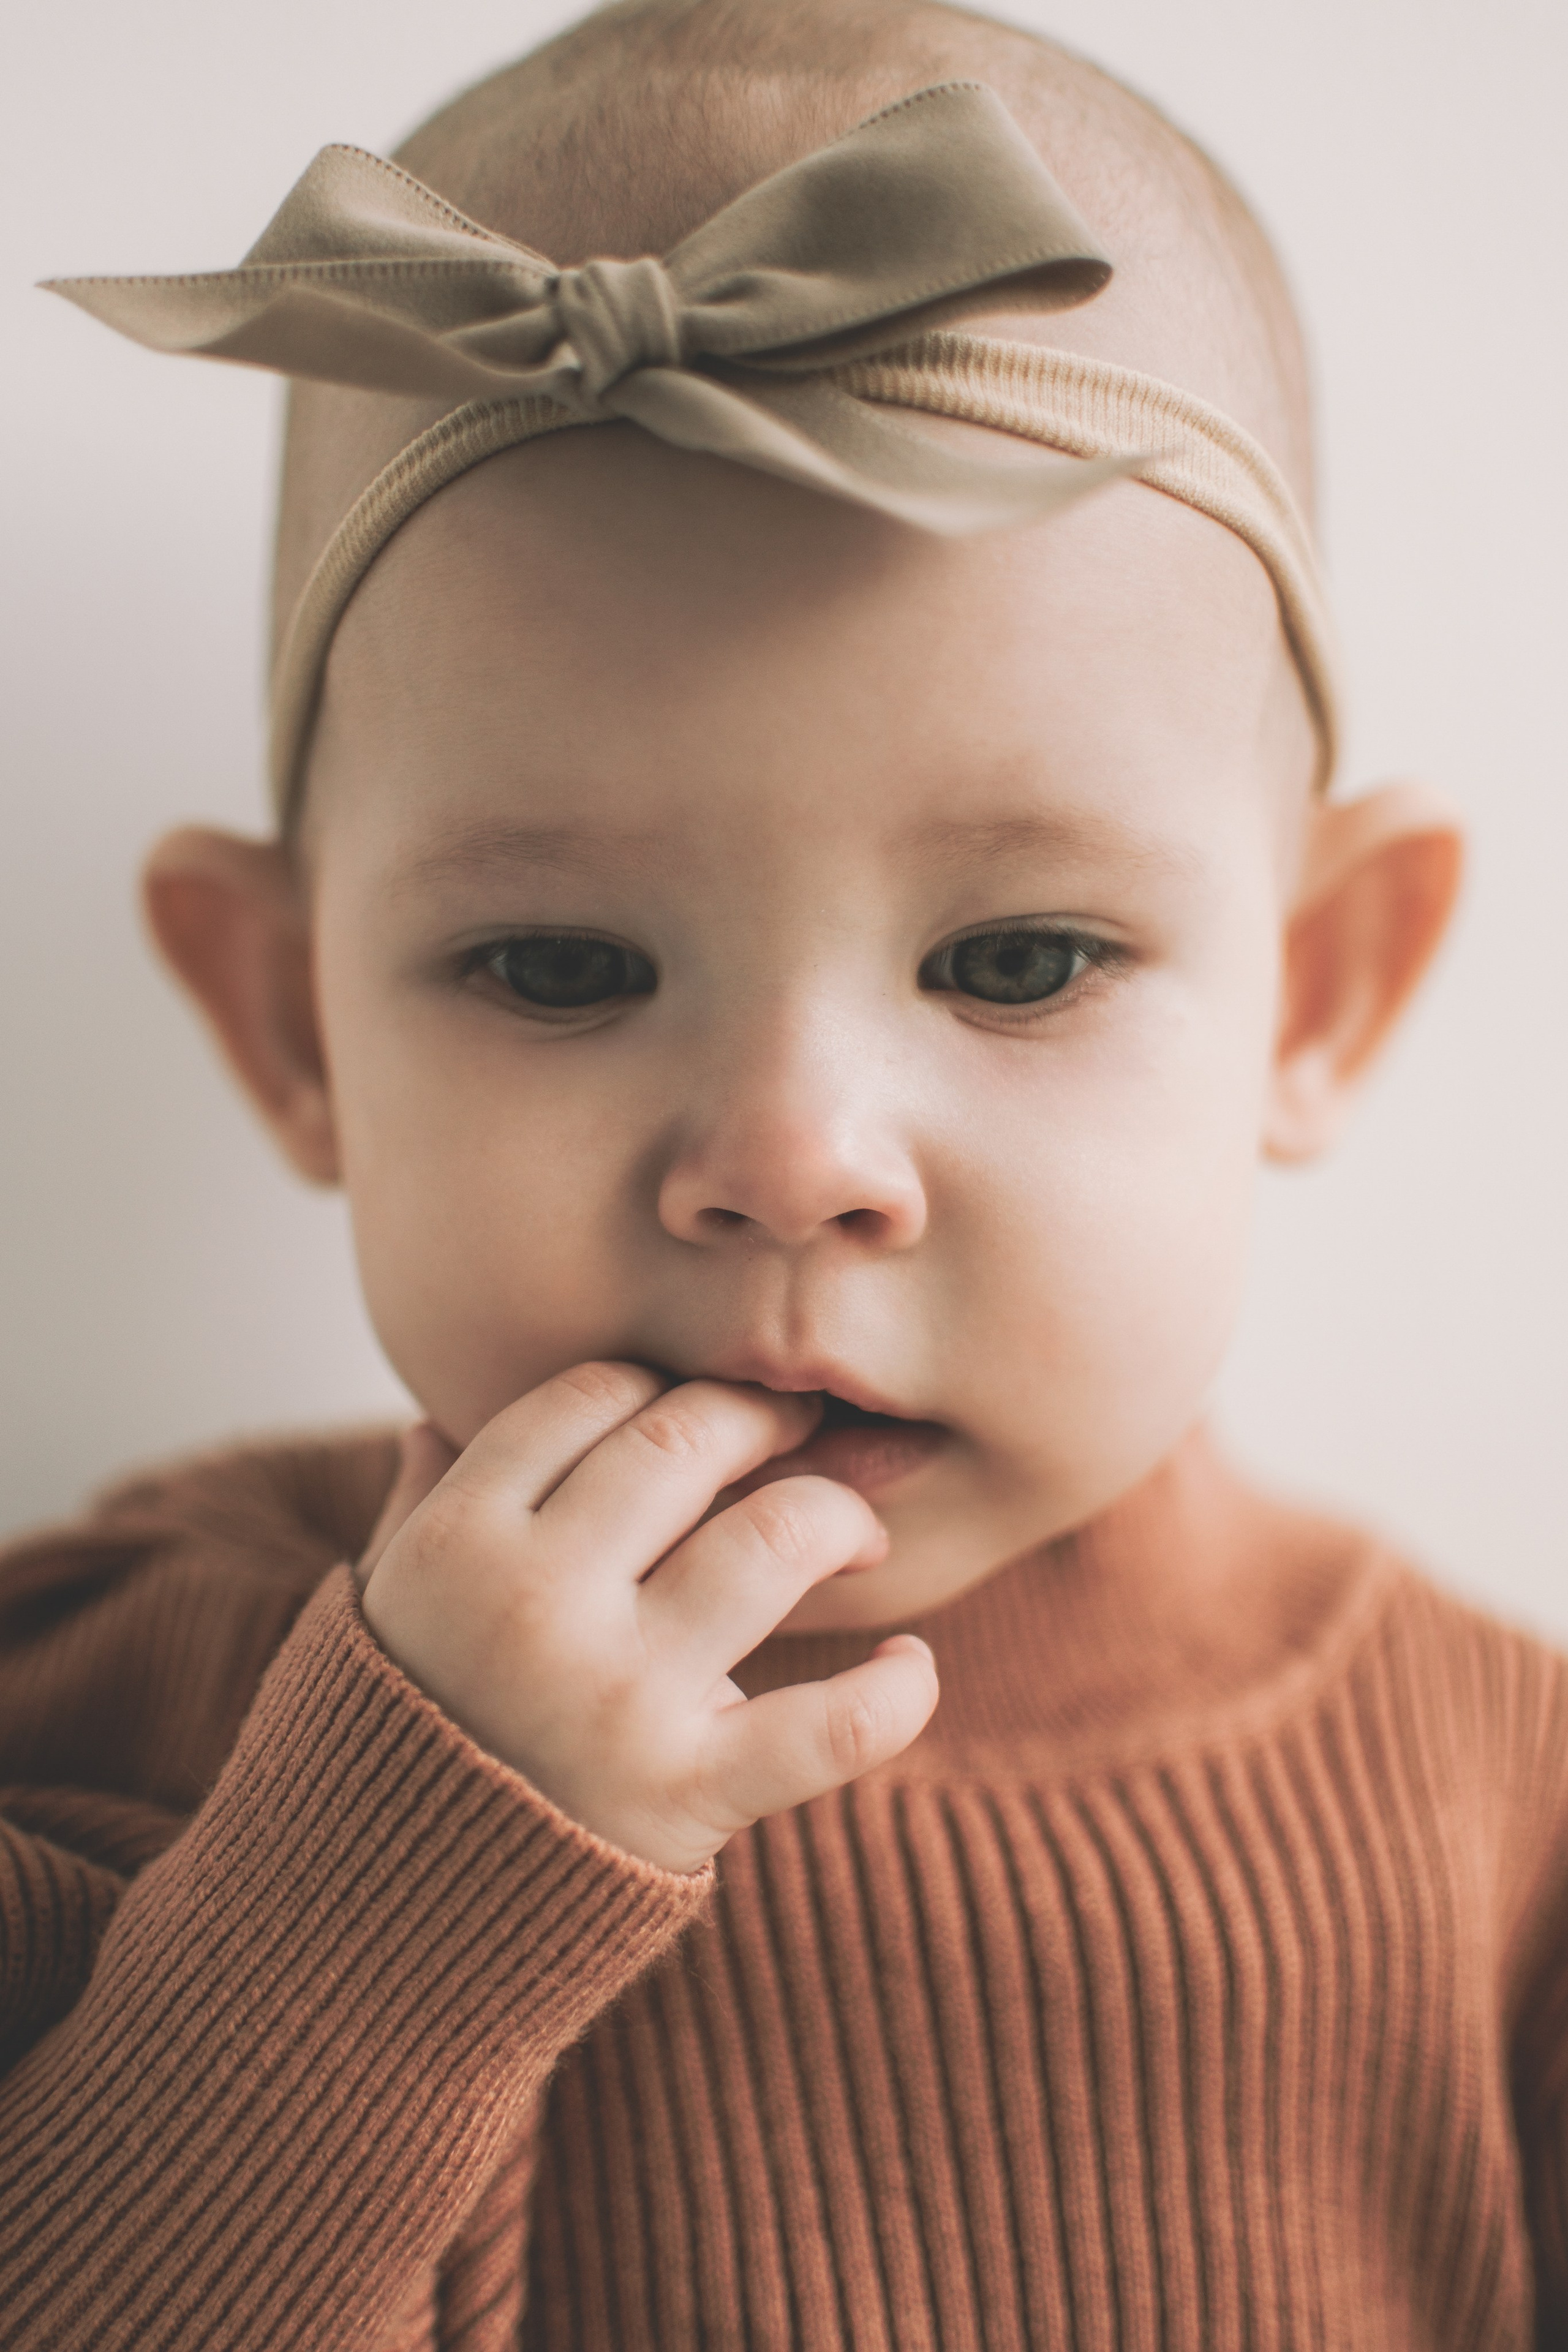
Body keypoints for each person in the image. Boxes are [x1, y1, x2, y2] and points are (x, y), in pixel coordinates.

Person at [3, 1, 1564, 2345]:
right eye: (555, 960)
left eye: (1019, 955)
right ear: (292, 1017)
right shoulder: (108, 1700)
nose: (794, 1165)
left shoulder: (1511, 1821)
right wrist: (364, 1918)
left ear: (1318, 991)